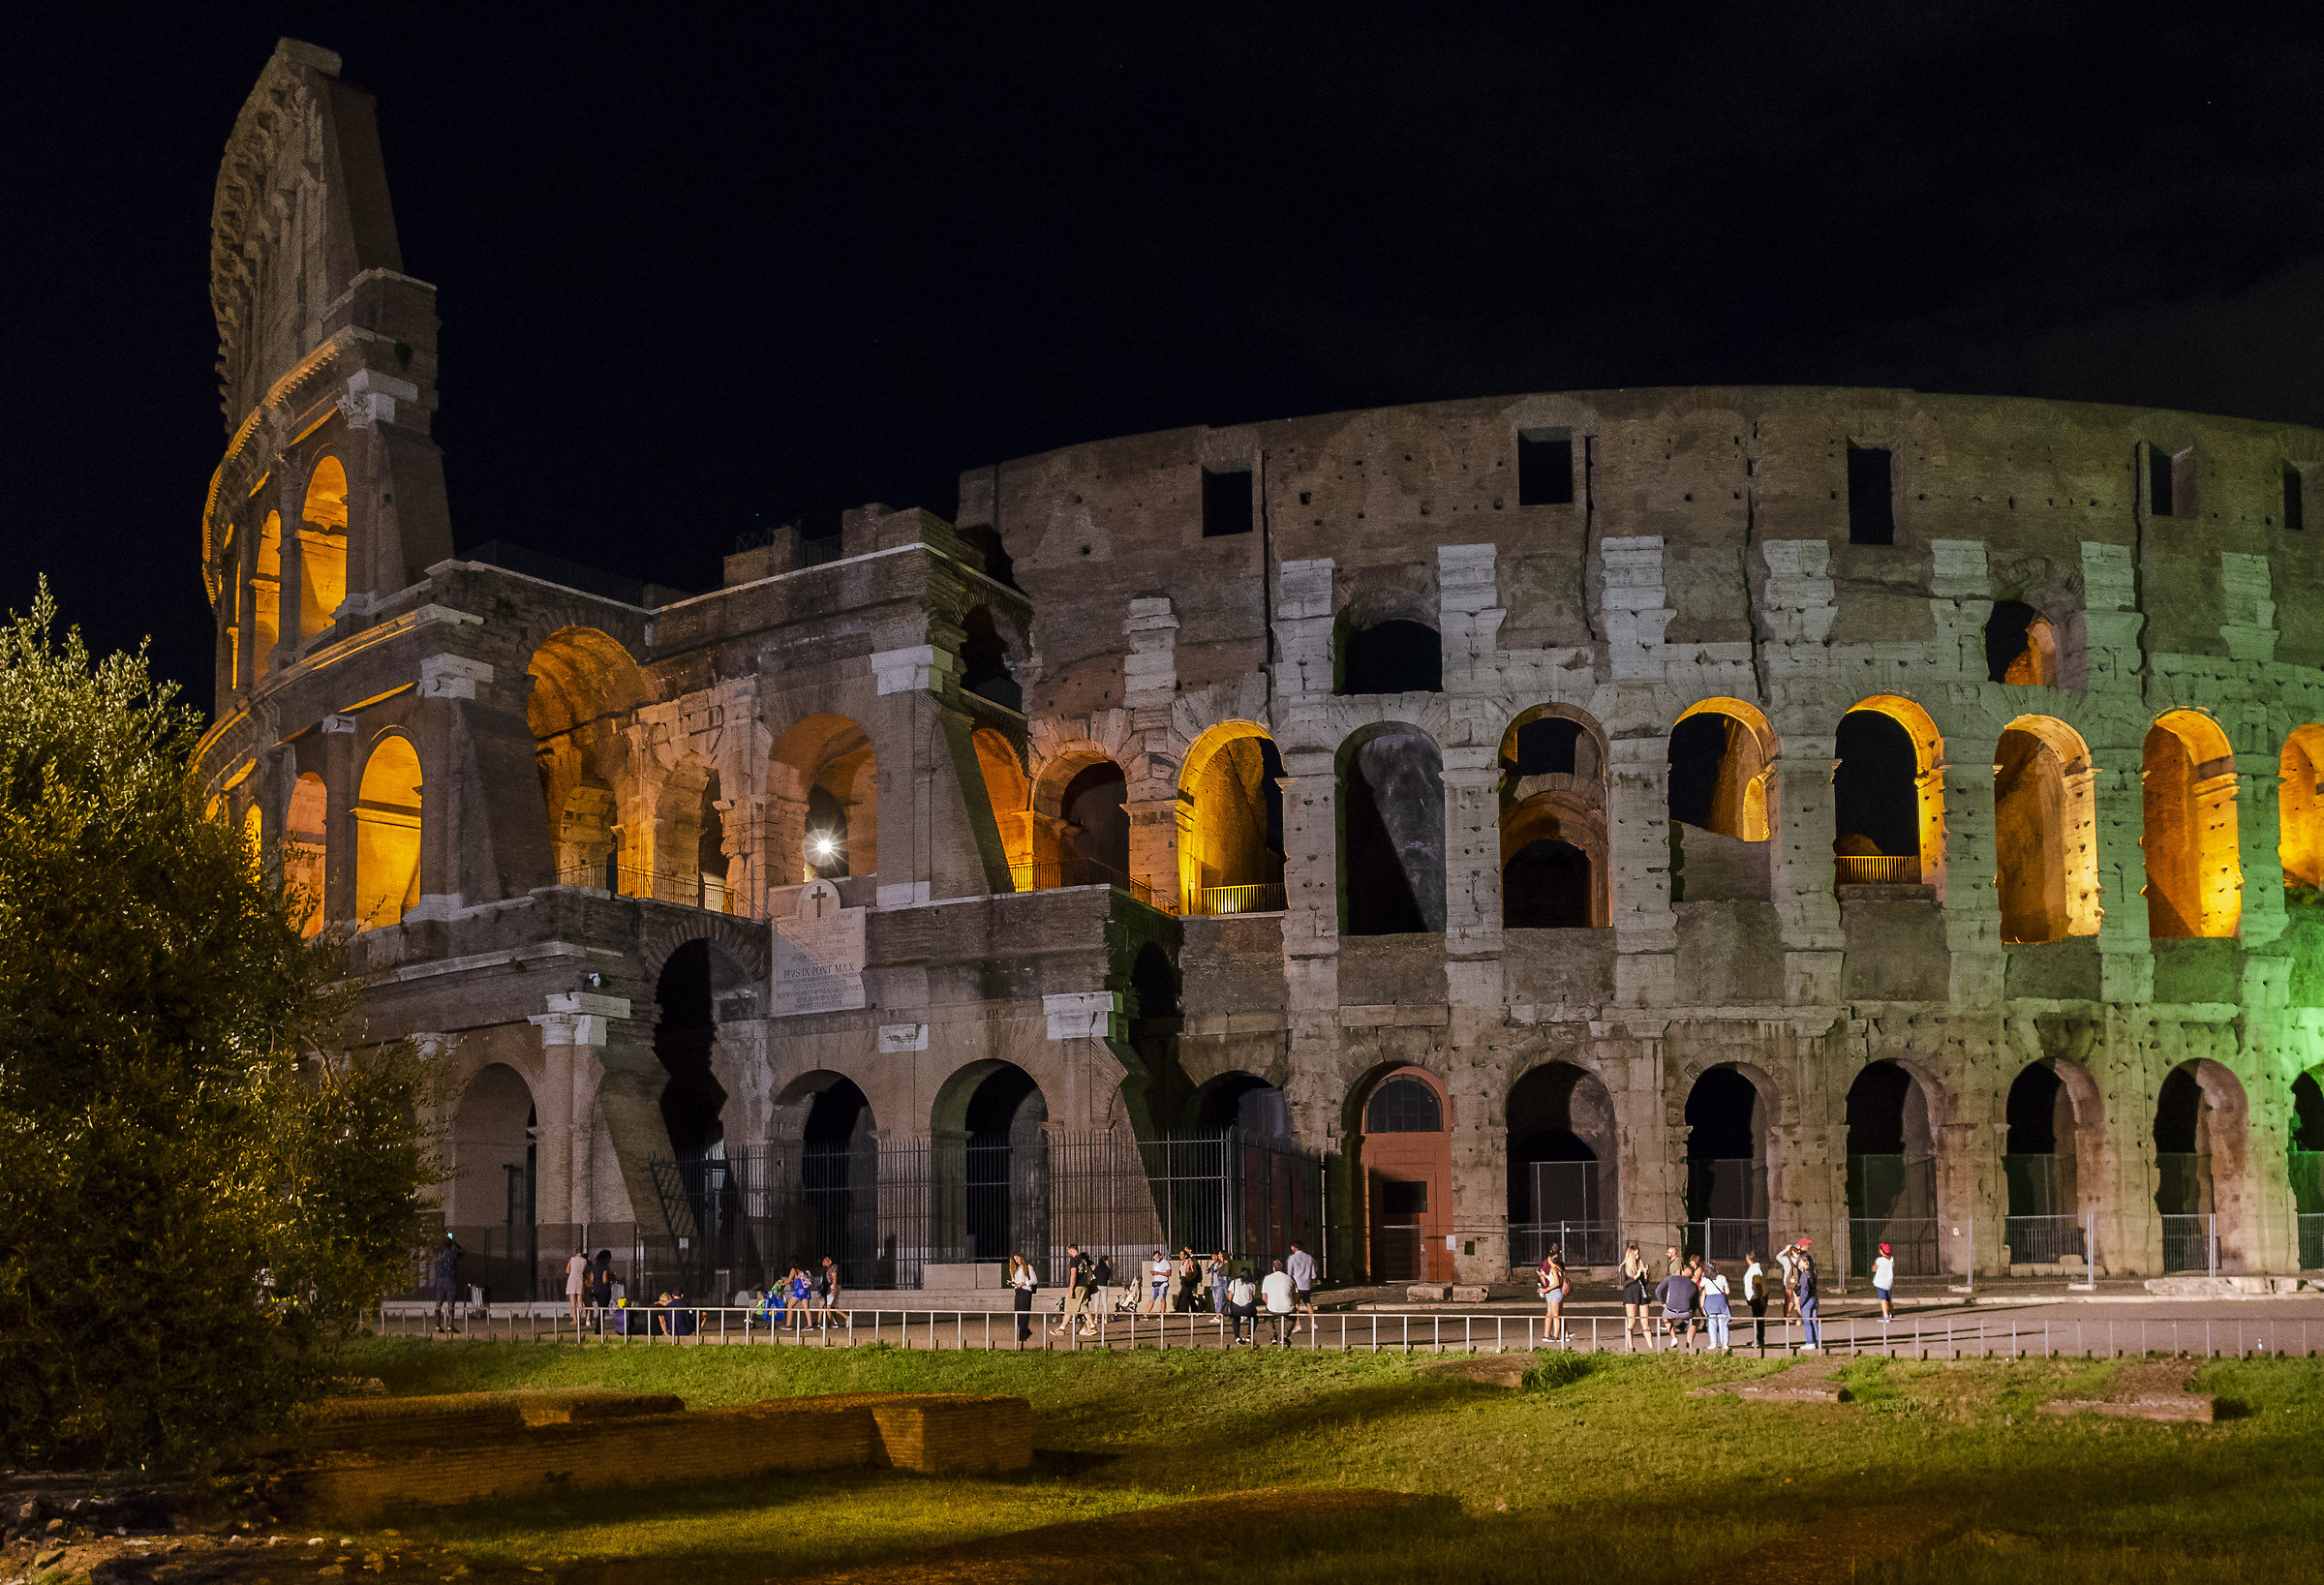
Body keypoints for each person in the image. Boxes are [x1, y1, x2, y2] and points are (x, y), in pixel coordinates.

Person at [1654, 1261, 1699, 1353]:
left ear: (1682, 1272)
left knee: (1665, 1317)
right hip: (1686, 1312)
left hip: (1671, 1309)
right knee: (1695, 1321)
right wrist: (1692, 1311)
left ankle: (1674, 1337)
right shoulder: (1694, 1286)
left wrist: (1663, 1303)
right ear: (1692, 1276)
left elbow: (1658, 1290)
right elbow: (1695, 1303)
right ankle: (1688, 1345)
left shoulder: (1671, 1278)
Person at [1053, 1245, 1093, 1336]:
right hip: (1084, 1286)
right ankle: (1092, 1326)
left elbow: (1073, 1275)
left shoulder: (1074, 1260)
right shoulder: (1084, 1260)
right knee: (1082, 1306)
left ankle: (1062, 1328)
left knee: (1069, 1308)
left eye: (1069, 1252)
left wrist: (1071, 1289)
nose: (1069, 1254)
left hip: (1077, 1286)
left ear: (1071, 1250)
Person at [1619, 1242, 1651, 1350]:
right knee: (1631, 1321)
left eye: (1638, 1254)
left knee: (1645, 1322)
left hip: (1641, 1295)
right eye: (1635, 1254)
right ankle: (1631, 1346)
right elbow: (1624, 1284)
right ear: (1630, 1255)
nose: (1637, 1257)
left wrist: (1645, 1275)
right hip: (1630, 1295)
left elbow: (1645, 1284)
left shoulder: (1639, 1265)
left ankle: (1651, 1347)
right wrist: (1636, 1276)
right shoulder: (1624, 1267)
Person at [1260, 1259, 1298, 1345]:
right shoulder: (1290, 1278)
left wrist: (1270, 1303)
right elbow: (1296, 1295)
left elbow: (1264, 1297)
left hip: (1273, 1308)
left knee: (1267, 1319)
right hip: (1288, 1307)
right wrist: (1293, 1303)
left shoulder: (1267, 1278)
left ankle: (1273, 1335)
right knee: (1293, 1318)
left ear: (1274, 1268)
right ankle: (1285, 1335)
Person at [432, 1234, 464, 1333]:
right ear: (451, 1244)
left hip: (440, 1279)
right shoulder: (453, 1253)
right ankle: (450, 1325)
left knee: (439, 1302)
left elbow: (433, 1248)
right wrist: (455, 1242)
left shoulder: (438, 1253)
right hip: (450, 1279)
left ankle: (437, 1325)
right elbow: (462, 1251)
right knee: (451, 1303)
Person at [1538, 1249, 1571, 1342]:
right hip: (1556, 1293)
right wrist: (1545, 1275)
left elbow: (1556, 1283)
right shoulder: (1558, 1268)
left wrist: (1546, 1289)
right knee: (1555, 1314)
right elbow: (1554, 1280)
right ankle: (1562, 1334)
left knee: (1555, 1315)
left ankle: (1556, 1336)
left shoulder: (1554, 1269)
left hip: (1554, 1293)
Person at [1795, 1240, 1822, 1352]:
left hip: (1808, 1300)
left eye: (1801, 1261)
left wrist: (1800, 1303)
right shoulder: (1813, 1272)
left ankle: (1810, 1342)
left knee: (1807, 1321)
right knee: (1813, 1321)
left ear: (1806, 1263)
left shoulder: (1804, 1274)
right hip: (1814, 1298)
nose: (1800, 1263)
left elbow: (1805, 1290)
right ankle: (1817, 1341)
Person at [1286, 1241, 1318, 1334]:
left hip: (1296, 1284)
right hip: (1306, 1284)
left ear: (1294, 1247)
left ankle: (1298, 1324)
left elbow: (1289, 1272)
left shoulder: (1292, 1258)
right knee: (1308, 1303)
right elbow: (1313, 1274)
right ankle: (1313, 1322)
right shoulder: (1309, 1257)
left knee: (1296, 1305)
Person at [1701, 1259, 1732, 1353]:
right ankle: (1725, 1344)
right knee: (1723, 1324)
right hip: (1720, 1301)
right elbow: (1727, 1292)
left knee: (1711, 1324)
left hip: (1710, 1302)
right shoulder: (1722, 1278)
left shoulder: (1705, 1279)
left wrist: (1702, 1306)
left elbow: (1702, 1291)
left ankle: (1713, 1343)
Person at [1008, 1253, 1038, 1345]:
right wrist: (1012, 1282)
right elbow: (1015, 1282)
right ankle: (1026, 1332)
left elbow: (1034, 1280)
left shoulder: (1028, 1267)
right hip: (1018, 1291)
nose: (1017, 1261)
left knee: (1024, 1314)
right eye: (1015, 1260)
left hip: (1026, 1291)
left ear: (1021, 1257)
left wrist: (1023, 1283)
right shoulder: (1016, 1269)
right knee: (1018, 1314)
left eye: (1017, 1258)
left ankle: (1022, 1337)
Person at [1743, 1249, 1768, 1350]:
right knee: (1757, 1319)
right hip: (1756, 1297)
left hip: (1757, 1298)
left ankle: (1759, 1340)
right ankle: (1757, 1339)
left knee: (1758, 1320)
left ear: (1749, 1259)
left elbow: (1757, 1285)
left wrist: (1761, 1299)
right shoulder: (1754, 1268)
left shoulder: (1755, 1270)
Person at [1226, 1267, 1259, 1345]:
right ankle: (1249, 1335)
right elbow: (1252, 1295)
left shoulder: (1234, 1282)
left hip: (1235, 1308)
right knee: (1254, 1318)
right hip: (1248, 1308)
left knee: (1236, 1318)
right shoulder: (1252, 1285)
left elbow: (1230, 1297)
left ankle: (1237, 1337)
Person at [565, 1249, 591, 1327]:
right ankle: (579, 1318)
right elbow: (586, 1271)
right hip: (580, 1280)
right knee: (580, 1301)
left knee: (573, 1301)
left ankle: (575, 1319)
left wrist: (573, 1272)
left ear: (576, 1253)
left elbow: (567, 1271)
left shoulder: (572, 1259)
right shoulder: (584, 1261)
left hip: (572, 1280)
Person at [1873, 1241, 1896, 1323]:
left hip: (1881, 1283)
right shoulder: (1892, 1260)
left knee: (1883, 1299)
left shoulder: (1879, 1260)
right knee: (1889, 1299)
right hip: (1889, 1282)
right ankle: (1891, 1313)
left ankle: (1885, 1315)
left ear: (1882, 1251)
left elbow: (1874, 1269)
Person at [1143, 1250, 1171, 1315]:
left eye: (1156, 1257)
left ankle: (1162, 1314)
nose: (1155, 1259)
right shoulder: (1155, 1263)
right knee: (1151, 1299)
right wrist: (1154, 1274)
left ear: (1160, 1256)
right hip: (1155, 1284)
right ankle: (1146, 1314)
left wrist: (1158, 1273)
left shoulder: (1165, 1263)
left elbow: (1169, 1273)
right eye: (1154, 1258)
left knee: (1162, 1299)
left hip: (1163, 1283)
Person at [1174, 1248, 1202, 1312]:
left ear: (1185, 1256)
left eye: (1182, 1254)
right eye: (1180, 1254)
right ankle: (1195, 1310)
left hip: (1188, 1280)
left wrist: (1190, 1277)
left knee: (1185, 1295)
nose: (1180, 1256)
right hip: (1183, 1279)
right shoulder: (1181, 1262)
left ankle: (1183, 1310)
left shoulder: (1189, 1261)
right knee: (1188, 1295)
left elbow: (1193, 1271)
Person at [1207, 1251, 1231, 1323]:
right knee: (1218, 1300)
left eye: (1219, 1254)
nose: (1218, 1256)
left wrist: (1219, 1271)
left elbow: (1225, 1273)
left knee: (1228, 1298)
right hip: (1218, 1282)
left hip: (1223, 1282)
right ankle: (1218, 1316)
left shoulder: (1225, 1263)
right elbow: (1208, 1271)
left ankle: (1234, 1313)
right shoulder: (1217, 1264)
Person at [818, 1255, 843, 1323]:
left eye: (827, 1259)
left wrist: (833, 1288)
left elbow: (834, 1278)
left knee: (829, 1307)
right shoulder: (825, 1270)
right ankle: (833, 1322)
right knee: (828, 1307)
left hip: (831, 1289)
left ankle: (833, 1322)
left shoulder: (833, 1268)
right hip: (827, 1289)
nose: (825, 1260)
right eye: (824, 1260)